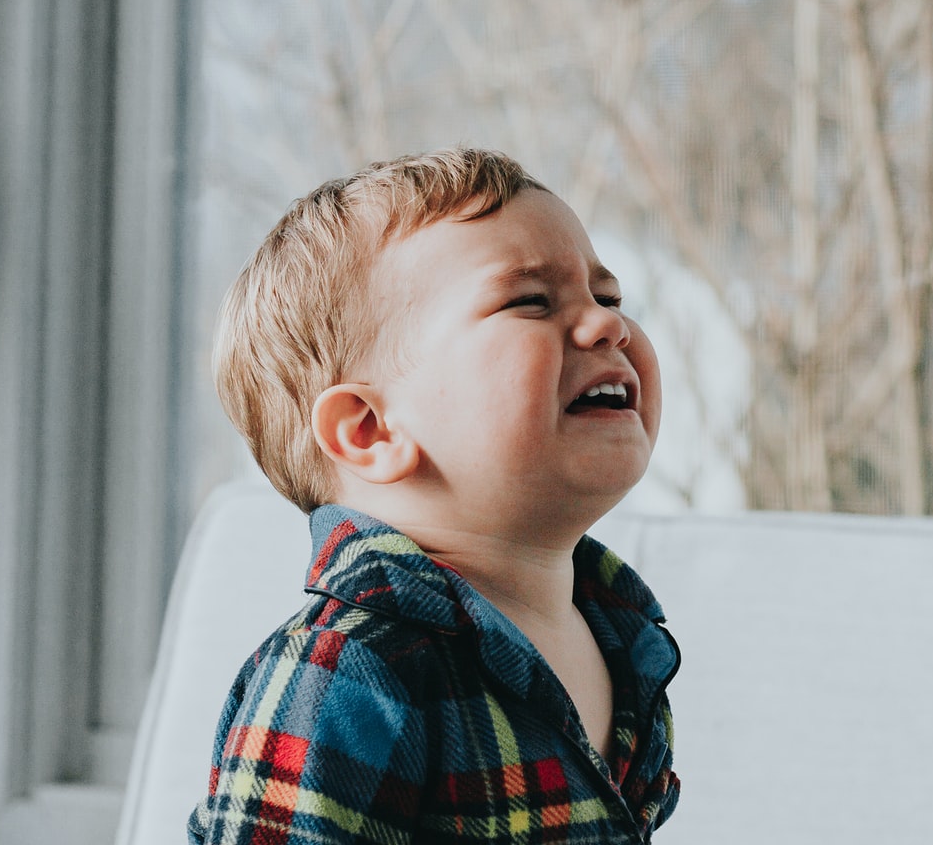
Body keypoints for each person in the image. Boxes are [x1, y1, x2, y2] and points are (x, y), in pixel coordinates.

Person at [189, 147, 680, 844]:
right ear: (370, 429)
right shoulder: (344, 669)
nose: (609, 326)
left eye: (608, 297)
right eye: (531, 301)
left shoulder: (623, 641)